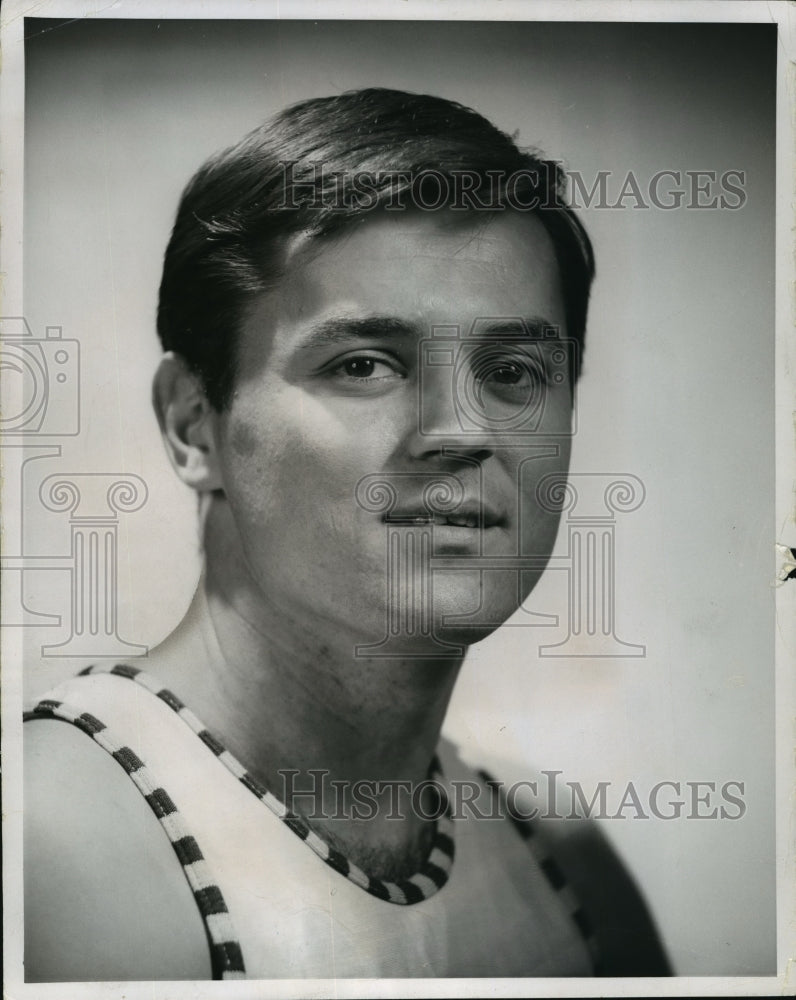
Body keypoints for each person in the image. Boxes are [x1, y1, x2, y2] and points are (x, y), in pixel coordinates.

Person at [24, 88, 669, 981]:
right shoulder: (36, 848)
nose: (461, 429)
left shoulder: (568, 871)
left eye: (514, 370)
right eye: (364, 364)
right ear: (192, 424)